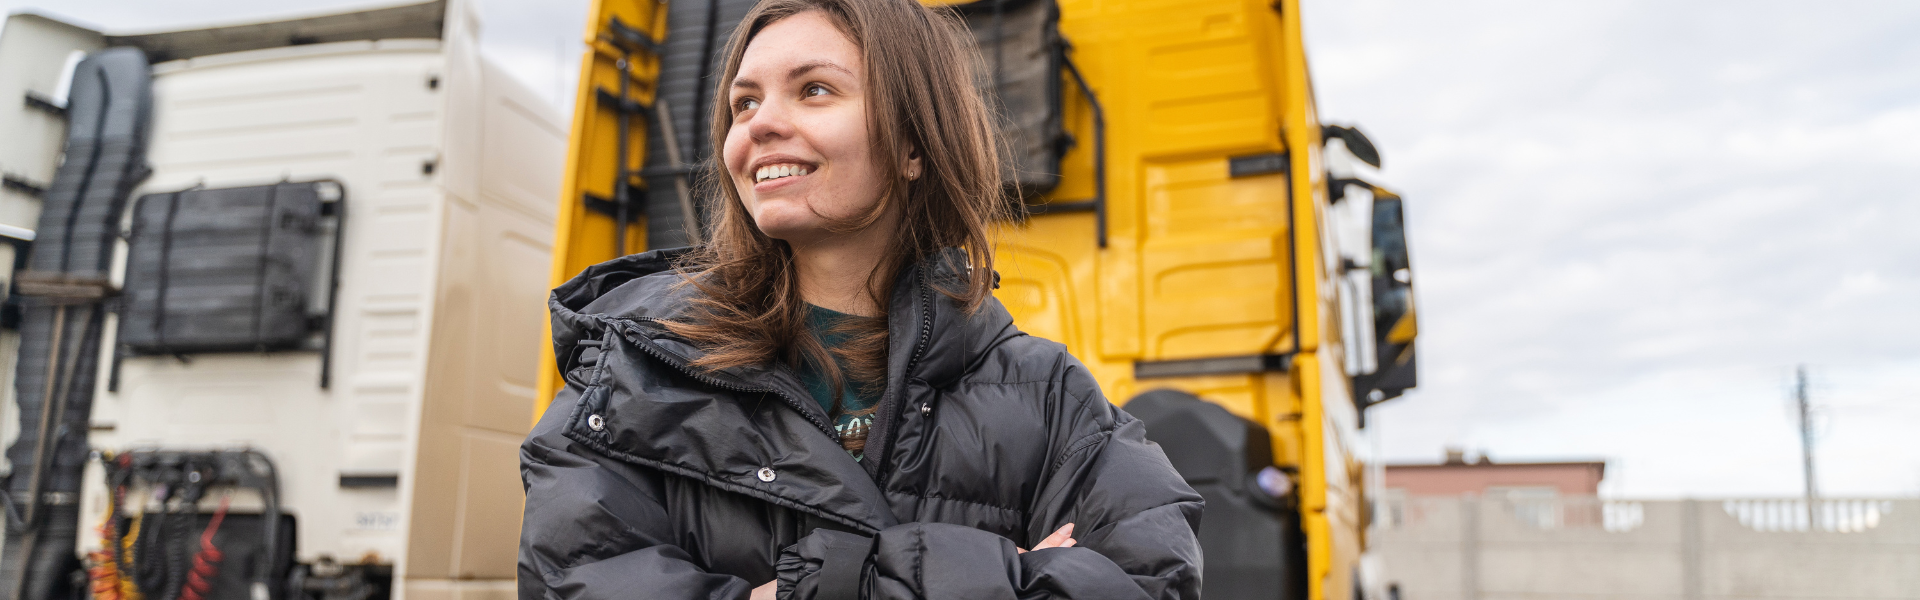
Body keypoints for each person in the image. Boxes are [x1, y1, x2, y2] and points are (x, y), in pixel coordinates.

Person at [517, 0, 1203, 597]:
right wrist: (993, 577)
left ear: (912, 143)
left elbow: (1145, 576)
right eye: (744, 102)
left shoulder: (1051, 397)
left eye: (814, 90)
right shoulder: (626, 383)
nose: (759, 124)